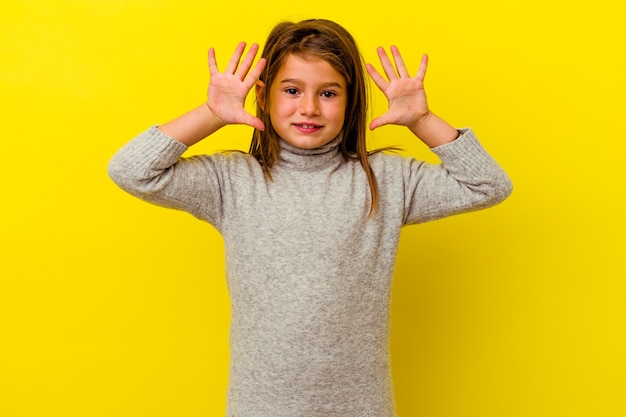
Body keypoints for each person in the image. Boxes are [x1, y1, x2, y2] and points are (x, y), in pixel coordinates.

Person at [108, 18, 512, 417]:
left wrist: (422, 120)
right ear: (263, 96)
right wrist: (212, 114)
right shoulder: (230, 181)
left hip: (362, 407)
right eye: (291, 90)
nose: (309, 107)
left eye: (329, 93)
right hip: (260, 407)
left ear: (351, 100)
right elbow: (131, 170)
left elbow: (489, 185)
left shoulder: (386, 181)